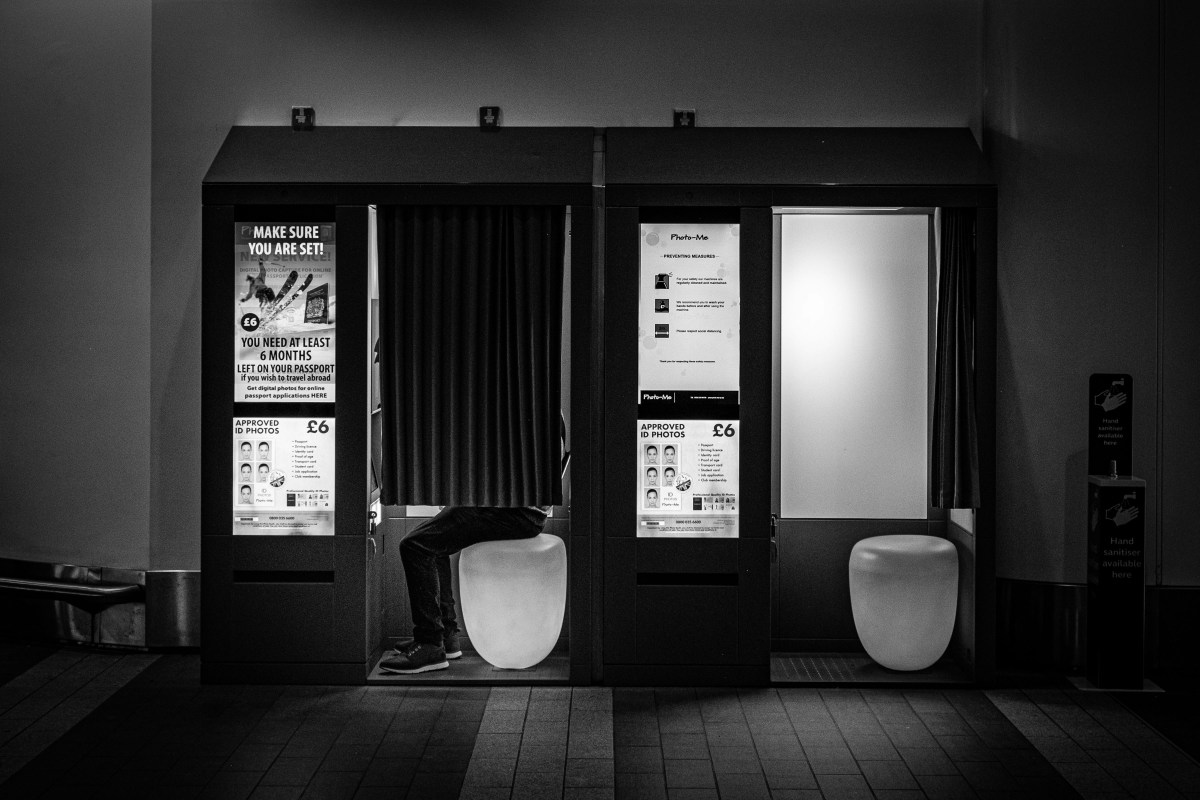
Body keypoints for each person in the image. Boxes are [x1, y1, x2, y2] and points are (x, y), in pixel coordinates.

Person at [380, 414, 570, 675]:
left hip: (512, 512)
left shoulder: (523, 409)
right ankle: (445, 637)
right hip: (523, 511)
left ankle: (430, 644)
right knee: (431, 541)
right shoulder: (542, 406)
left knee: (414, 546)